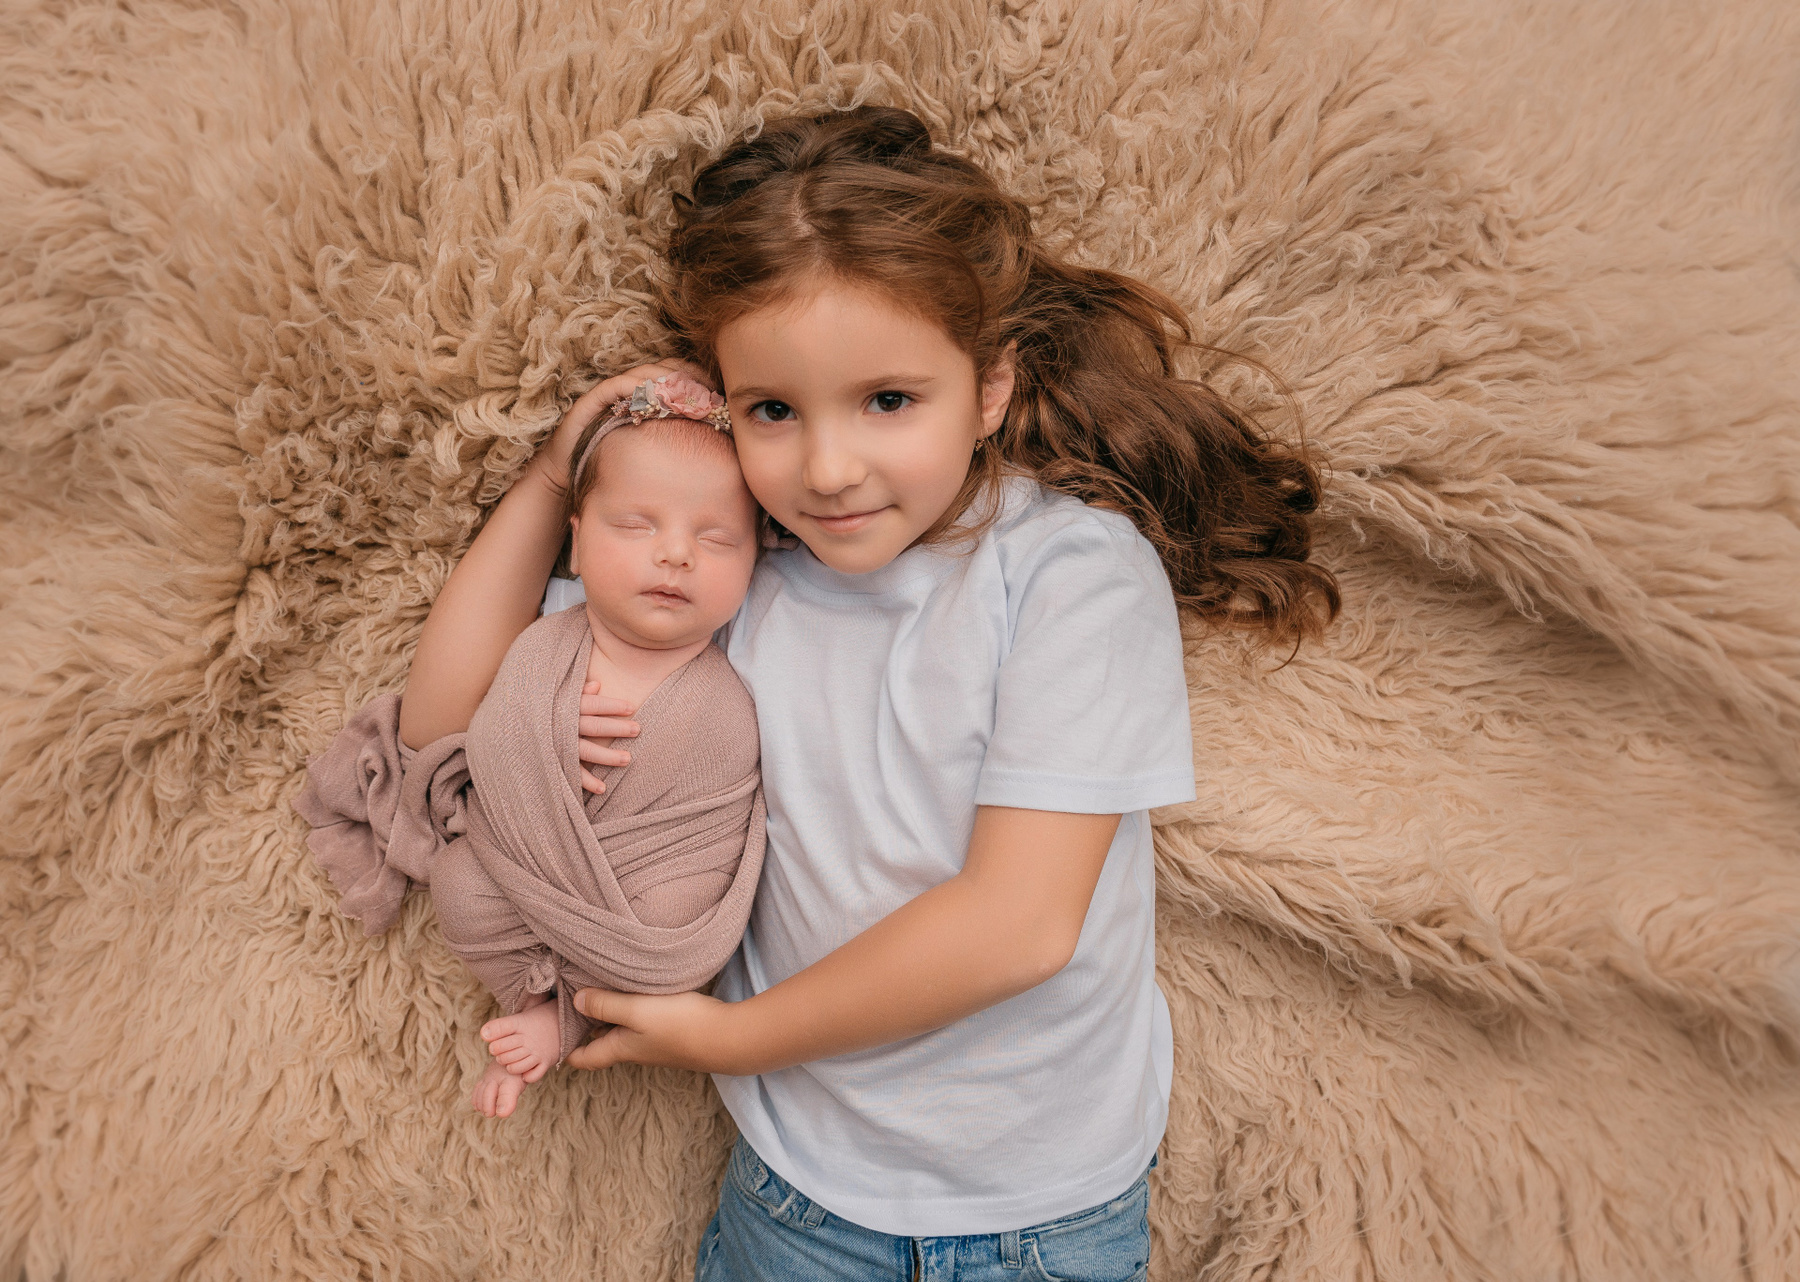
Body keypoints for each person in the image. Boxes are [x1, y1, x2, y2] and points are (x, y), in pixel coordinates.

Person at [400, 105, 1338, 1281]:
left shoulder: (1071, 574)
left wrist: (737, 1035)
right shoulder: (739, 578)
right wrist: (555, 475)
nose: (829, 468)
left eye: (888, 400)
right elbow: (443, 723)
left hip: (1044, 1211)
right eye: (774, 411)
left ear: (989, 386)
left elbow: (1020, 923)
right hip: (801, 1195)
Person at [299, 375, 769, 1123]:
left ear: (755, 562)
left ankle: (564, 1017)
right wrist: (536, 736)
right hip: (518, 872)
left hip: (649, 891)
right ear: (575, 542)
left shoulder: (737, 675)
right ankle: (534, 997)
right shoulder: (547, 638)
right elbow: (464, 740)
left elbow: (718, 822)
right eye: (635, 526)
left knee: (675, 915)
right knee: (460, 884)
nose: (677, 554)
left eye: (716, 539)